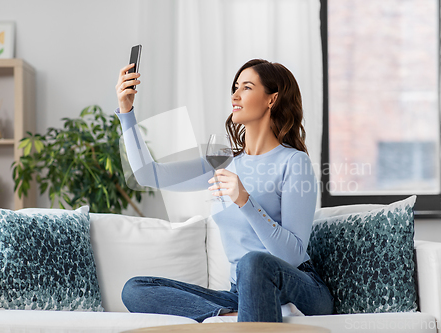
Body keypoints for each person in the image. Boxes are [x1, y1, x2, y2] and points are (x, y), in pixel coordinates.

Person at [114, 58, 334, 322]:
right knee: (136, 289)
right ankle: (228, 316)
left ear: (271, 99)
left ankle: (242, 315)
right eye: (235, 87)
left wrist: (245, 201)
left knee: (253, 263)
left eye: (247, 87)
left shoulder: (293, 162)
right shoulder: (223, 162)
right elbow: (148, 174)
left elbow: (293, 255)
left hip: (297, 289)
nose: (235, 95)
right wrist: (127, 112)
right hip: (239, 294)